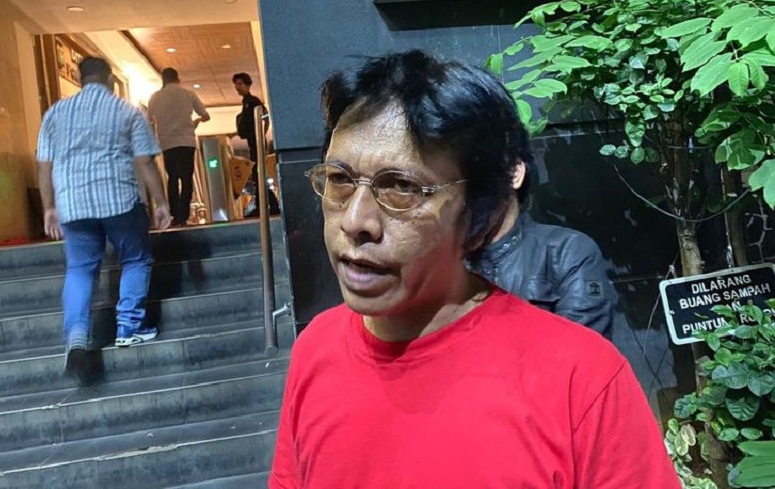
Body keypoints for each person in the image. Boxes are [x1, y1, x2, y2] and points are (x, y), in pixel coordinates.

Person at [269, 50, 679, 488]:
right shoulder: (315, 350)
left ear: (481, 214)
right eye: (340, 180)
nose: (355, 221)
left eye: (401, 187)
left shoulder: (581, 379)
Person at [36, 56, 171, 381]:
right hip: (119, 201)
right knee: (136, 259)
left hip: (73, 205)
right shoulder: (127, 111)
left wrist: (49, 207)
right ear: (110, 79)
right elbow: (145, 162)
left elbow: (44, 165)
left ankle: (77, 335)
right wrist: (161, 202)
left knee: (80, 269)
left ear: (80, 79)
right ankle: (128, 327)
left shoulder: (55, 113)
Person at [466, 141, 615, 338]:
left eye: (476, 176)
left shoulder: (566, 252)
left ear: (514, 172)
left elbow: (578, 347)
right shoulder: (443, 260)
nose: (464, 192)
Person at [147, 67, 210, 226]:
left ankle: (175, 214)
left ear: (163, 80)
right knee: (187, 179)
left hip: (167, 143)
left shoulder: (155, 97)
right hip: (186, 142)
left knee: (172, 178)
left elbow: (149, 118)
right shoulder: (188, 94)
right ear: (178, 79)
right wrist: (197, 121)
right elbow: (205, 115)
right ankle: (183, 215)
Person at [233, 72, 279, 216]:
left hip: (256, 142)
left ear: (247, 85)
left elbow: (265, 118)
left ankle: (267, 206)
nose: (237, 87)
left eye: (240, 84)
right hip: (254, 142)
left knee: (258, 175)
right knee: (258, 175)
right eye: (236, 84)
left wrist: (261, 135)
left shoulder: (252, 102)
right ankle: (268, 205)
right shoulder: (247, 102)